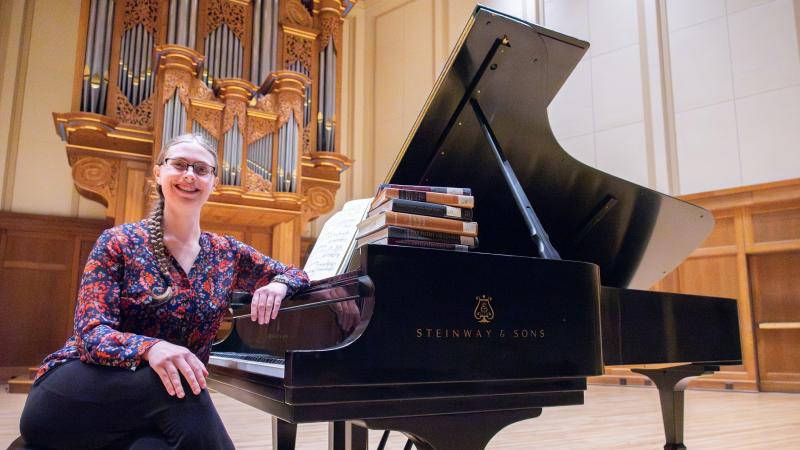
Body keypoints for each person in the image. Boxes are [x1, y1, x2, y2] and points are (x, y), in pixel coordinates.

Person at [18, 134, 309, 449]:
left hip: (158, 409)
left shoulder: (227, 253)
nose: (189, 175)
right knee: (179, 383)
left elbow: (296, 273)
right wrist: (150, 348)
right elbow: (91, 333)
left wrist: (280, 283)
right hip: (74, 396)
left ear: (213, 181)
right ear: (158, 173)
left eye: (201, 169)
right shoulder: (119, 242)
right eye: (179, 165)